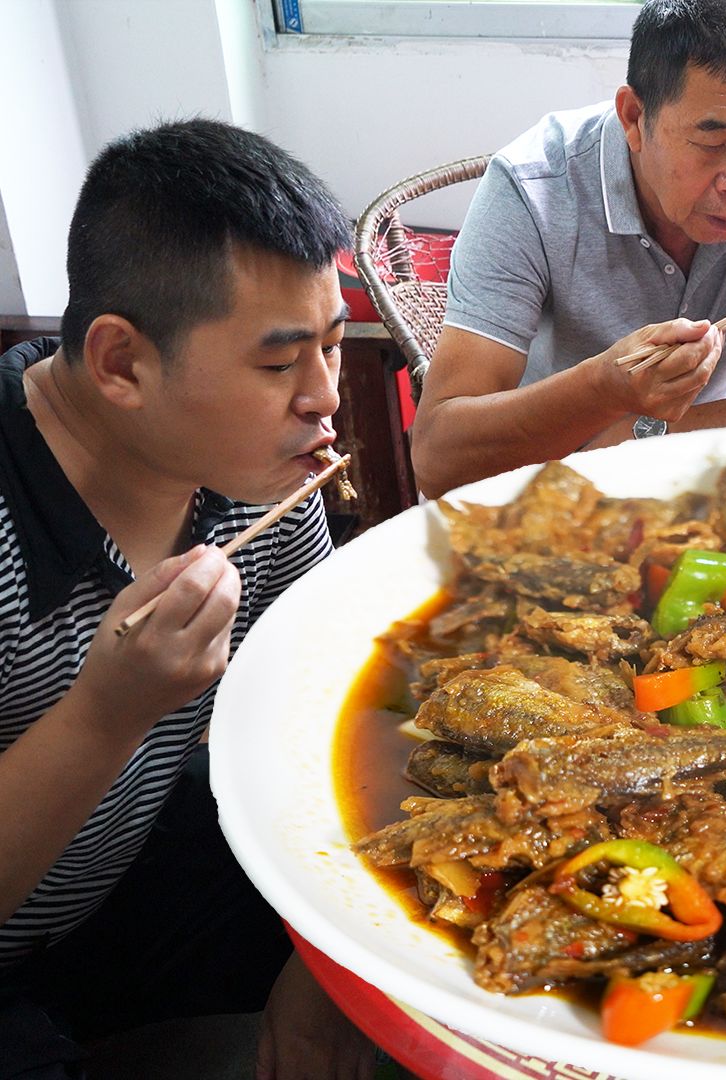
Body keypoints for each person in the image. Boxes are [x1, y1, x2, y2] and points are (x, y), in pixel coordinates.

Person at [0, 120, 374, 1078]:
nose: (324, 398)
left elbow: (314, 714)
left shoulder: (265, 476)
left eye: (332, 346)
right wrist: (105, 714)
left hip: (130, 874)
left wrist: (318, 960)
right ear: (121, 361)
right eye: (278, 362)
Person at [411, 0, 726, 499]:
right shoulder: (533, 186)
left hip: (719, 472)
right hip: (553, 486)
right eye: (711, 144)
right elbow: (437, 458)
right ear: (633, 116)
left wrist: (646, 434)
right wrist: (603, 389)